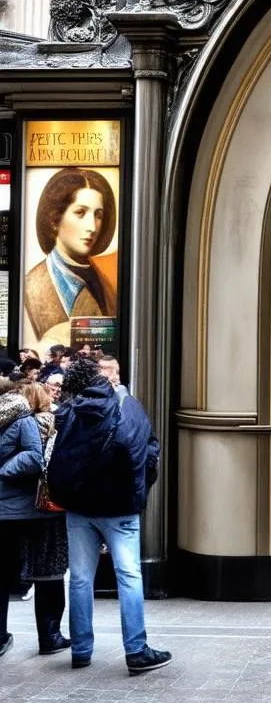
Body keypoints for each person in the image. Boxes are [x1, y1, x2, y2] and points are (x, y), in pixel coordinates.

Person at [46, 356, 170, 674]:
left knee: (80, 579)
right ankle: (136, 650)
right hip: (120, 507)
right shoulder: (127, 405)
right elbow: (148, 450)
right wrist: (138, 490)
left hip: (80, 508)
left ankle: (82, 649)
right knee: (129, 576)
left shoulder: (69, 413)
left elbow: (60, 460)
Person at [0, 379, 71, 657]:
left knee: (1, 576)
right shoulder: (24, 420)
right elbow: (33, 458)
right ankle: (49, 636)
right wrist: (5, 471)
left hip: (8, 513)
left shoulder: (19, 420)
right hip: (30, 511)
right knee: (46, 571)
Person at [23, 168, 118, 346]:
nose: (92, 227)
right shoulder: (32, 286)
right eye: (80, 213)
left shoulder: (107, 277)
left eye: (98, 215)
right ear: (54, 221)